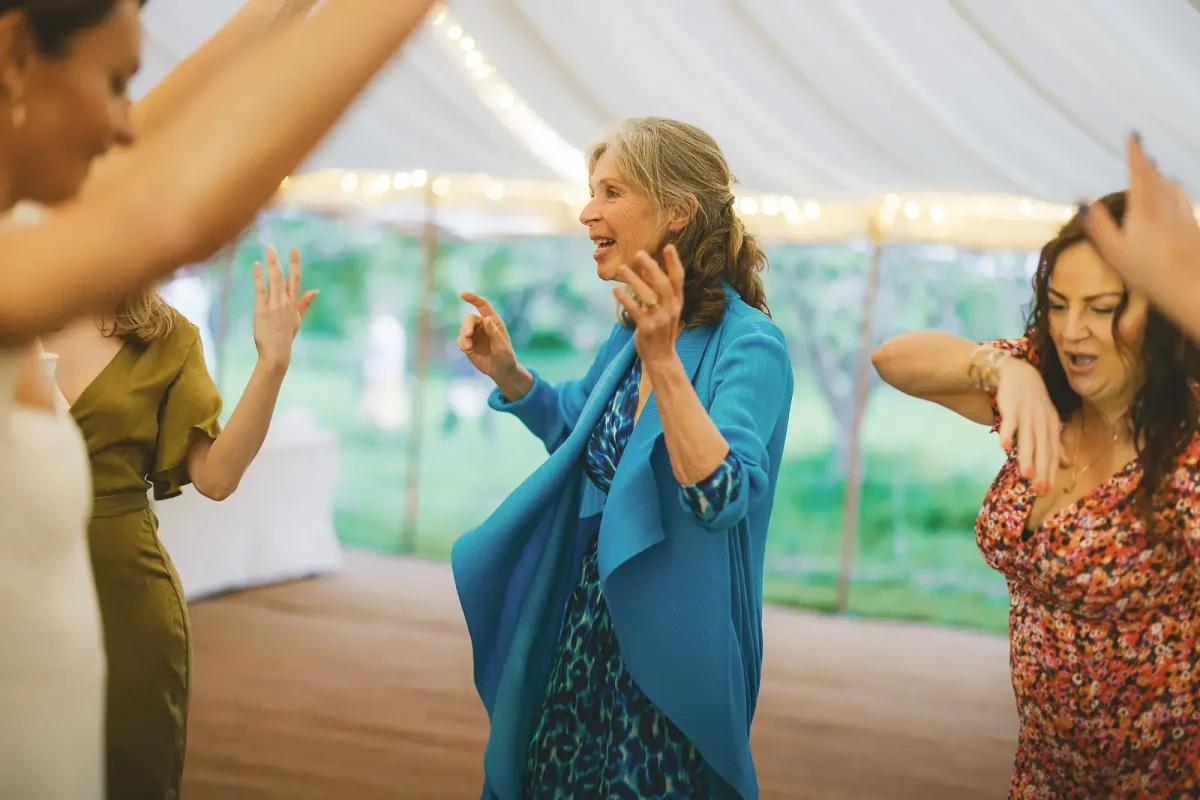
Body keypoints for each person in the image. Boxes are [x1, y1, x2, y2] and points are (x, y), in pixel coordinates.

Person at [0, 1, 436, 797]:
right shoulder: (20, 267)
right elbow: (166, 203)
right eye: (114, 80)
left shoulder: (47, 254)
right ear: (14, 56)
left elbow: (154, 160)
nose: (129, 125)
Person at [452, 117, 794, 800]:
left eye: (610, 192)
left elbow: (722, 497)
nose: (587, 212)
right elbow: (579, 432)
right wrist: (511, 375)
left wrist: (663, 363)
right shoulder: (630, 329)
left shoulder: (751, 347)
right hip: (582, 637)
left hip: (669, 655)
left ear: (677, 212)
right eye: (591, 193)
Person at [872, 155, 1200, 794]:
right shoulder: (1043, 385)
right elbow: (893, 358)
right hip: (1044, 775)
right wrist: (1000, 368)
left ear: (1163, 314)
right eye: (1057, 305)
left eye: (1103, 307)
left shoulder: (1188, 446)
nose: (1073, 329)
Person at [43, 244, 313, 798]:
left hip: (124, 598)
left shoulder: (168, 338)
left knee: (125, 774)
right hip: (19, 581)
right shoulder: (16, 315)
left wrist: (272, 365)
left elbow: (216, 477)